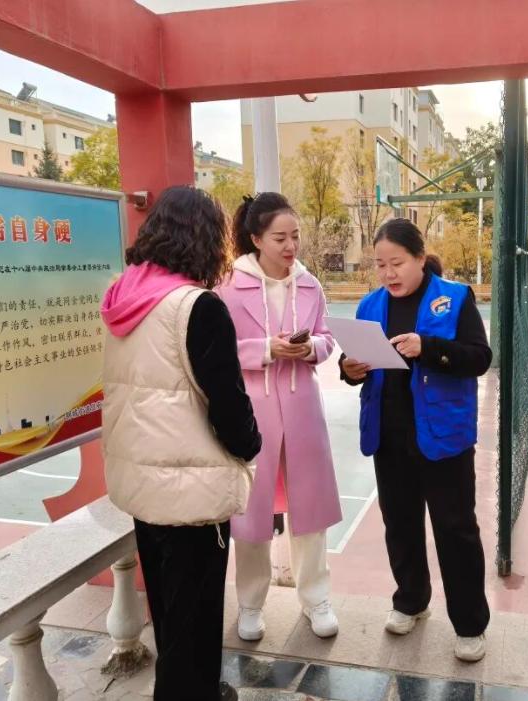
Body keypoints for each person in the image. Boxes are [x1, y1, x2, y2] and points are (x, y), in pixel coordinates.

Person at [100, 186, 261, 701]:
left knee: (170, 611)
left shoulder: (124, 297)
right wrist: (250, 445)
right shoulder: (198, 308)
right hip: (190, 489)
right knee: (195, 619)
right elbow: (228, 405)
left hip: (142, 483)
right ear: (208, 239)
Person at [339, 218, 492, 662]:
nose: (388, 273)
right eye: (380, 264)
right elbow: (356, 364)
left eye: (397, 263)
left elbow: (479, 359)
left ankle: (470, 624)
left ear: (420, 259)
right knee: (400, 524)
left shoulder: (455, 298)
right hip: (389, 435)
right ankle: (410, 600)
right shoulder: (370, 305)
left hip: (444, 436)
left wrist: (429, 348)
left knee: (456, 530)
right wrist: (349, 370)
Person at [217, 192, 342, 641]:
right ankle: (251, 604)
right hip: (252, 411)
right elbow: (216, 352)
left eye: (295, 236)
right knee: (251, 514)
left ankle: (316, 598)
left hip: (303, 408)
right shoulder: (227, 287)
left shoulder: (310, 285)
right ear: (256, 239)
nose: (291, 246)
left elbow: (327, 338)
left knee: (311, 511)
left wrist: (310, 349)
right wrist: (264, 349)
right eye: (280, 238)